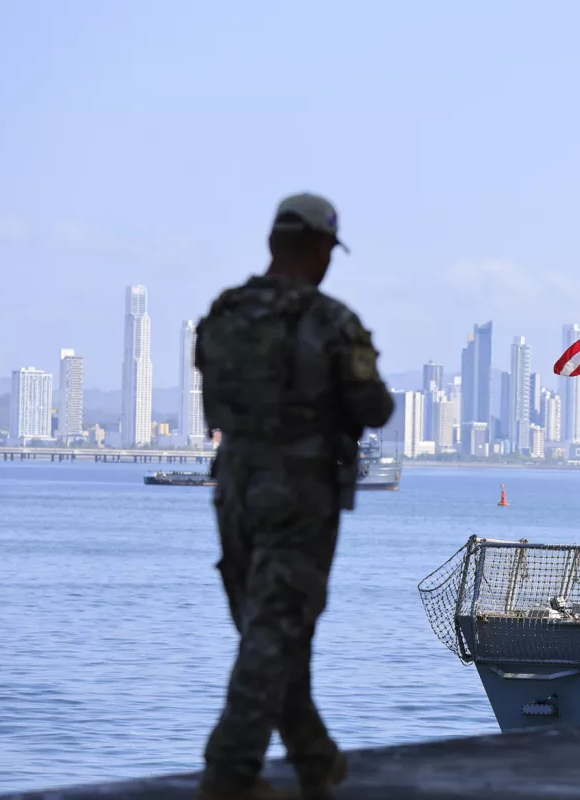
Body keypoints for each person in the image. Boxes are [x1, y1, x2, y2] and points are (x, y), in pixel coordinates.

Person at [195, 192, 394, 800]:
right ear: (317, 248)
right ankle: (230, 773)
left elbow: (215, 404)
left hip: (233, 488)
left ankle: (313, 759)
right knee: (276, 630)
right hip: (299, 495)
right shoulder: (330, 321)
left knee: (271, 628)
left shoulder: (223, 313)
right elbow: (375, 407)